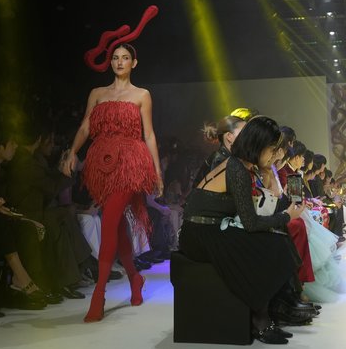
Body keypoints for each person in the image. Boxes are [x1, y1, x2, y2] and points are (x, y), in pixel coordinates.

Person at [178, 116, 305, 344]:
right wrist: (286, 216)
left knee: (277, 242)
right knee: (272, 246)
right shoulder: (236, 168)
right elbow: (251, 223)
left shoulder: (241, 165)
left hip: (208, 228)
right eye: (272, 148)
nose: (274, 154)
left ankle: (268, 312)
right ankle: (261, 318)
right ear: (258, 145)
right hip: (200, 234)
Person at [62, 43, 163, 323]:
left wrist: (157, 172)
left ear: (134, 63)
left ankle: (99, 295)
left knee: (108, 221)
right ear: (110, 63)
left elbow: (149, 135)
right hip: (101, 163)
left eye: (125, 58)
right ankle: (134, 278)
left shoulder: (142, 95)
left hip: (130, 164)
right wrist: (72, 152)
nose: (119, 62)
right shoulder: (97, 93)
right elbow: (85, 126)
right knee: (116, 225)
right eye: (115, 58)